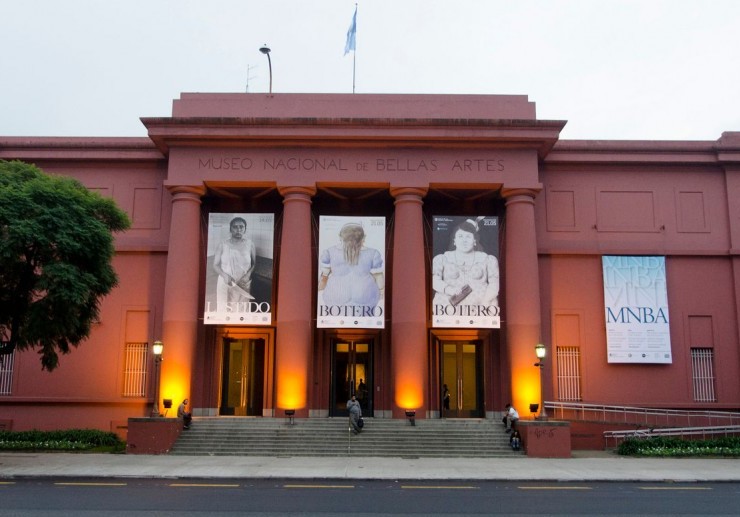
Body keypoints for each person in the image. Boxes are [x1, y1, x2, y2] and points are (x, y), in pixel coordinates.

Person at [432, 218, 499, 309]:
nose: (464, 240)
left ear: (475, 241)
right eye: (460, 236)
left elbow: (494, 284)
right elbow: (435, 281)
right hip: (447, 309)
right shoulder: (442, 259)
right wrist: (450, 290)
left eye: (468, 236)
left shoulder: (488, 260)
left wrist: (485, 302)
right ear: (454, 240)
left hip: (481, 309)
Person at [319, 222, 384, 308]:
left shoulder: (329, 252)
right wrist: (382, 291)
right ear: (363, 237)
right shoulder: (374, 253)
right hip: (366, 298)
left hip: (335, 298)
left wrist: (319, 289)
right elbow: (379, 278)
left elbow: (324, 278)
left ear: (340, 237)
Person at [212, 216, 256, 311]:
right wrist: (224, 275)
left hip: (243, 282)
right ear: (230, 229)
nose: (238, 230)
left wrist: (247, 275)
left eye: (241, 227)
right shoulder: (222, 244)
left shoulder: (250, 244)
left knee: (241, 309)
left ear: (245, 229)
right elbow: (215, 265)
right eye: (235, 227)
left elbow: (254, 264)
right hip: (226, 280)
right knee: (224, 308)